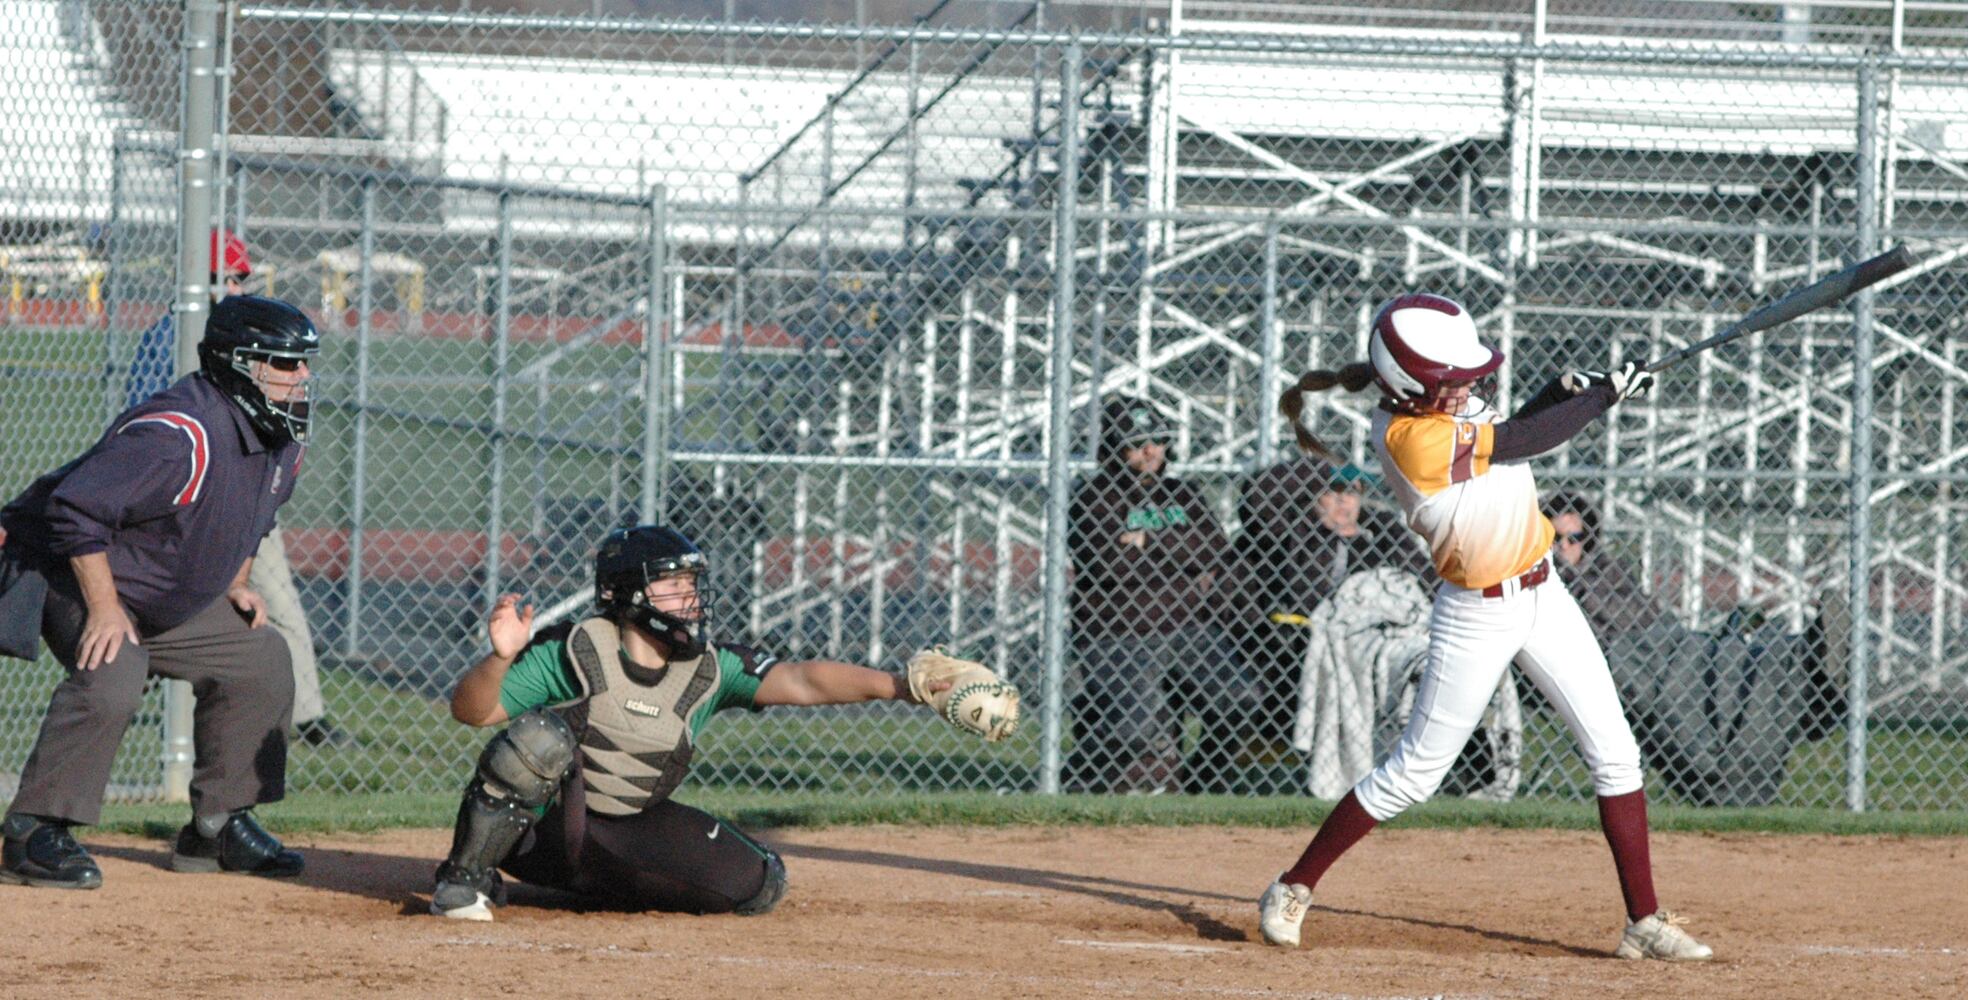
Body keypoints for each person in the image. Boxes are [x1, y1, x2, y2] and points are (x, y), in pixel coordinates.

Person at [1254, 293, 1712, 962]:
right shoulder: (1410, 436)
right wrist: (1600, 399)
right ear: (1411, 383)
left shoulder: (1446, 405)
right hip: (1476, 613)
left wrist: (1561, 391)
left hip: (1544, 592)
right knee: (1414, 774)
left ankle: (1642, 921)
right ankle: (1293, 886)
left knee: (1615, 752)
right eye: (1453, 380)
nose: (1467, 387)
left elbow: (1509, 437)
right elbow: (1520, 443)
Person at [428, 524, 969, 920]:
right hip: (545, 828)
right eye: (673, 585)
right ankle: (464, 878)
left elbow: (803, 681)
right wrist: (500, 658)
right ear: (626, 594)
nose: (689, 598)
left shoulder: (708, 668)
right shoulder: (576, 648)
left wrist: (902, 687)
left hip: (627, 823)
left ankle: (598, 884)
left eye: (691, 583)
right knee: (538, 739)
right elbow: (471, 711)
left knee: (759, 886)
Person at [0, 295, 321, 889]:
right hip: (70, 571)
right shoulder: (179, 435)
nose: (300, 376)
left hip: (156, 592)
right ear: (236, 365)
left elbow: (257, 516)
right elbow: (74, 511)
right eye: (282, 364)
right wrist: (102, 608)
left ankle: (218, 826)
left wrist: (237, 582)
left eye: (302, 363)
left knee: (259, 658)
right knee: (114, 668)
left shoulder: (282, 436)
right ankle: (34, 830)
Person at [123, 231, 351, 750]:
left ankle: (306, 717)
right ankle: (173, 727)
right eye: (217, 278)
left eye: (236, 278)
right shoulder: (168, 337)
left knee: (277, 604)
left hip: (243, 499)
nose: (228, 287)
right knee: (177, 610)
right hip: (183, 504)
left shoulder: (254, 339)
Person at [1062, 396, 1258, 794]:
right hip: (1119, 630)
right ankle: (1075, 778)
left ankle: (1198, 785)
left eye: (1158, 440)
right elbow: (1111, 568)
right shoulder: (1093, 497)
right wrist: (1182, 554)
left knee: (1242, 701)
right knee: (1134, 730)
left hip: (1191, 627)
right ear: (1114, 448)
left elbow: (1215, 550)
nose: (1150, 451)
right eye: (1137, 443)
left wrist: (1148, 541)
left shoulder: (1183, 493)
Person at [1235, 457, 1432, 749]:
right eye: (1332, 492)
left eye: (1351, 492)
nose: (1343, 502)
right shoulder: (1296, 534)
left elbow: (1424, 577)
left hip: (1388, 629)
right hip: (1328, 632)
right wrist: (1320, 466)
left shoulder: (1382, 533)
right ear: (1312, 497)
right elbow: (1257, 496)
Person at [1541, 491, 1664, 643]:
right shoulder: (1530, 572)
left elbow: (1645, 614)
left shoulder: (1608, 569)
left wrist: (1584, 591)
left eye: (1574, 538)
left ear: (1586, 539)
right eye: (1556, 538)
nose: (1564, 545)